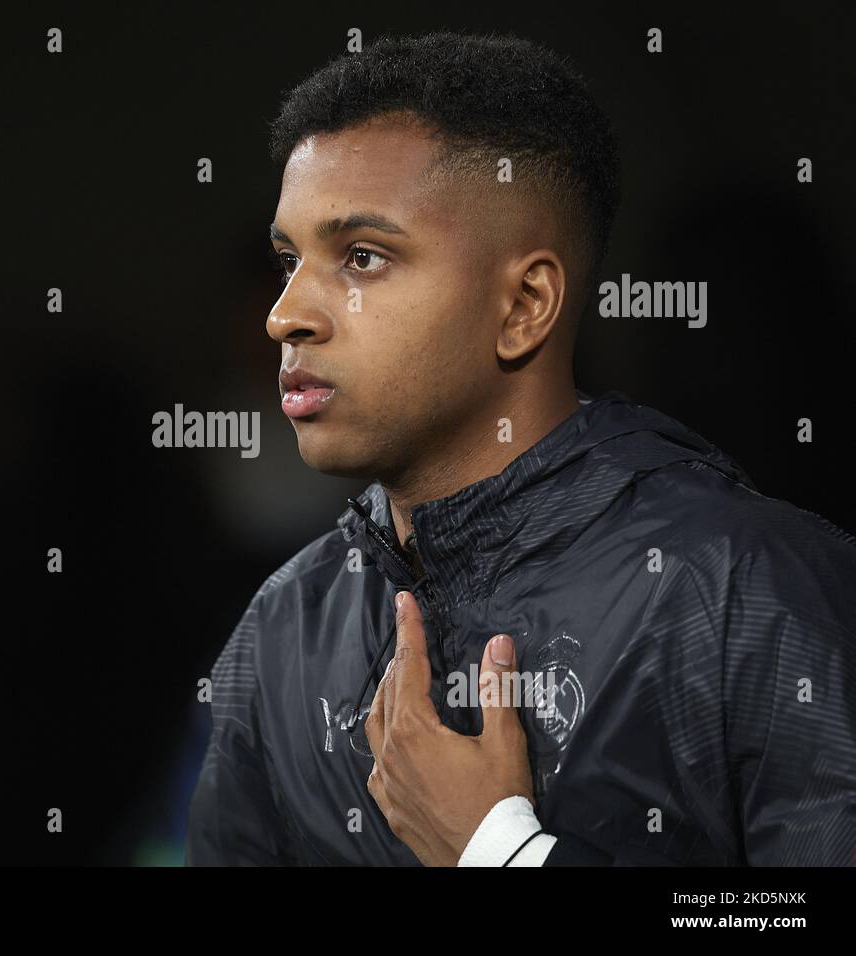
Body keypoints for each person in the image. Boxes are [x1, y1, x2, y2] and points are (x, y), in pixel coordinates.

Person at [184, 31, 856, 866]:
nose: (285, 314)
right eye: (288, 259)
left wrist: (501, 852)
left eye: (361, 256)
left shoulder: (750, 591)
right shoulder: (284, 628)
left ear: (525, 305)